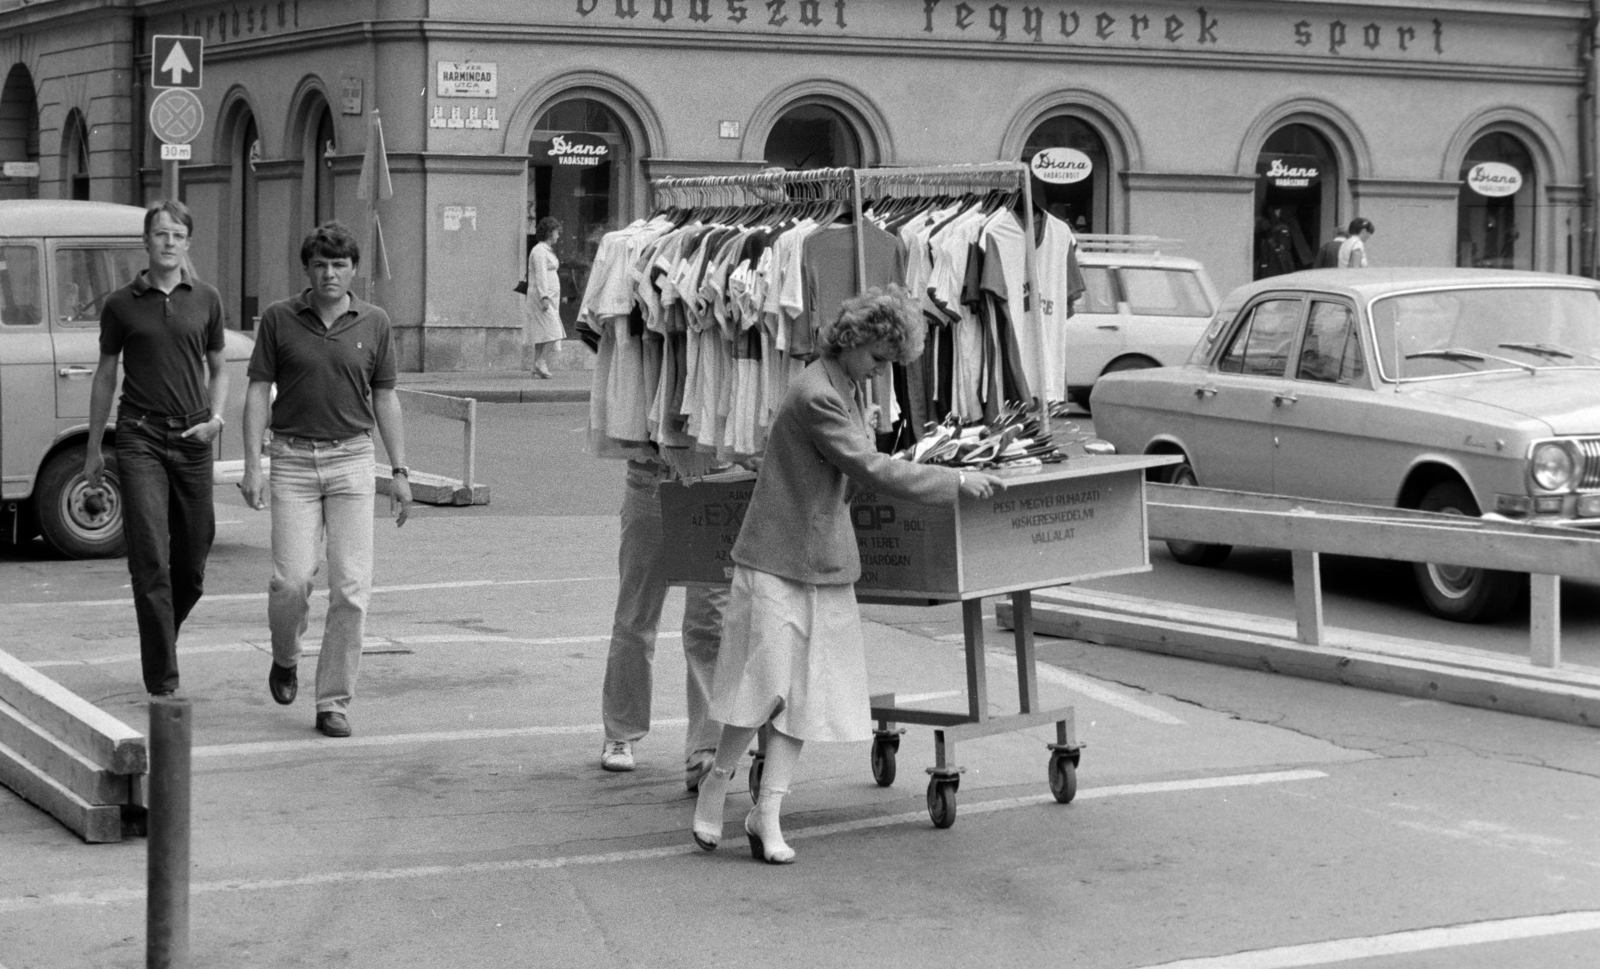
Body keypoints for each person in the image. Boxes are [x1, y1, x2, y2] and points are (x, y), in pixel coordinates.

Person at [690, 287, 1006, 864]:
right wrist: (953, 483)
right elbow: (866, 466)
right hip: (777, 556)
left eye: (891, 359)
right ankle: (720, 779)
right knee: (764, 686)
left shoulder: (843, 386)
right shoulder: (818, 393)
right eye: (880, 357)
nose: (884, 369)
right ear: (855, 340)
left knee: (804, 692)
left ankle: (768, 811)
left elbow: (858, 463)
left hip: (820, 558)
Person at [239, 222, 413, 738]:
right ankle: (286, 654)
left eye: (339, 265)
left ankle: (333, 701)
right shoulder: (278, 319)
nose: (330, 273)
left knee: (352, 588)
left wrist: (399, 471)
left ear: (353, 270)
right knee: (291, 581)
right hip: (291, 460)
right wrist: (253, 464)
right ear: (308, 270)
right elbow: (256, 391)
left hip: (352, 462)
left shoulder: (375, 322)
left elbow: (385, 397)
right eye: (320, 265)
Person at [85, 200, 228, 698]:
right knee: (150, 556)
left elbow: (220, 366)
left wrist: (215, 418)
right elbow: (106, 375)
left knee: (192, 562)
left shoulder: (206, 298)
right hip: (140, 435)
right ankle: (163, 680)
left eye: (177, 235)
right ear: (146, 242)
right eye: (160, 234)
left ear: (188, 242)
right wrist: (92, 449)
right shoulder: (121, 303)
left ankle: (160, 634)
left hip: (193, 438)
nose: (169, 242)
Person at [598, 456, 728, 791]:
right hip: (652, 477)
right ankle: (620, 732)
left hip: (717, 479)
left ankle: (705, 747)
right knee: (636, 615)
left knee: (710, 623)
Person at [522, 216, 565, 378]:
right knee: (555, 330)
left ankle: (535, 364)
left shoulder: (545, 250)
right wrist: (544, 297)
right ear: (549, 232)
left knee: (543, 331)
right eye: (556, 232)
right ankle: (541, 361)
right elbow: (540, 275)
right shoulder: (539, 251)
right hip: (541, 299)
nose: (558, 235)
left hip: (547, 298)